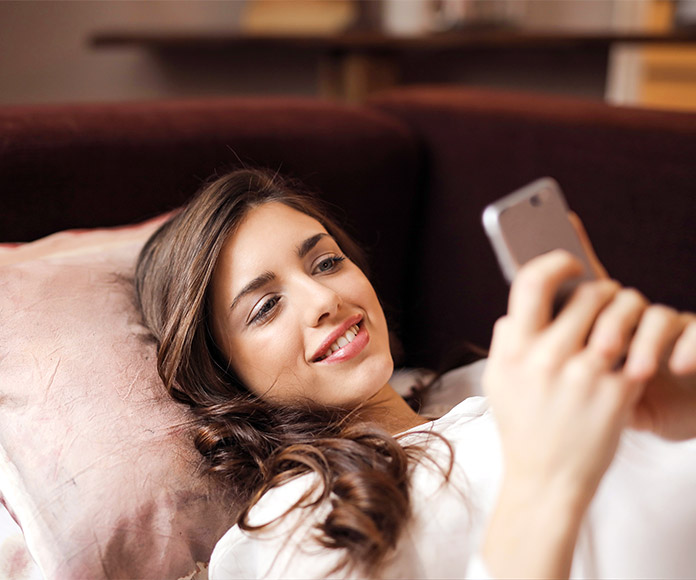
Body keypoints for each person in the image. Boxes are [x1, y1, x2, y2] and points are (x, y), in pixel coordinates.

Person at [135, 168, 696, 579]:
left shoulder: (488, 378)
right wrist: (545, 482)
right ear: (222, 375)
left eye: (326, 262)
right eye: (265, 307)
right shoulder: (298, 522)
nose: (324, 297)